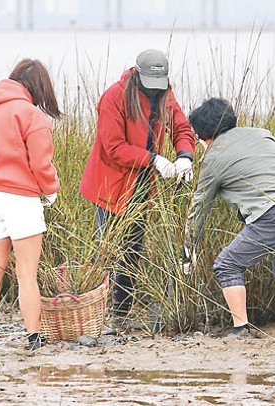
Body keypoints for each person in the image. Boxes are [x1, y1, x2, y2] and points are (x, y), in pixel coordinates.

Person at [79, 49, 196, 327]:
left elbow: (182, 128)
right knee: (108, 251)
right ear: (137, 74)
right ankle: (98, 313)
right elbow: (113, 147)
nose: (155, 90)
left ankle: (121, 315)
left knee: (132, 251)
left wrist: (184, 157)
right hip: (110, 186)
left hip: (142, 187)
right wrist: (154, 159)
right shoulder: (114, 96)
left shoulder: (165, 95)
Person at [184, 97, 275, 337]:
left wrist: (188, 249)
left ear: (203, 134)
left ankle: (241, 330)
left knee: (227, 264)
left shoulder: (212, 159)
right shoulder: (260, 133)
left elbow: (199, 208)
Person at [0, 59, 62, 350]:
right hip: (21, 198)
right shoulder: (31, 115)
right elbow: (42, 164)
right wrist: (50, 190)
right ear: (38, 87)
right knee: (26, 273)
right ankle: (34, 338)